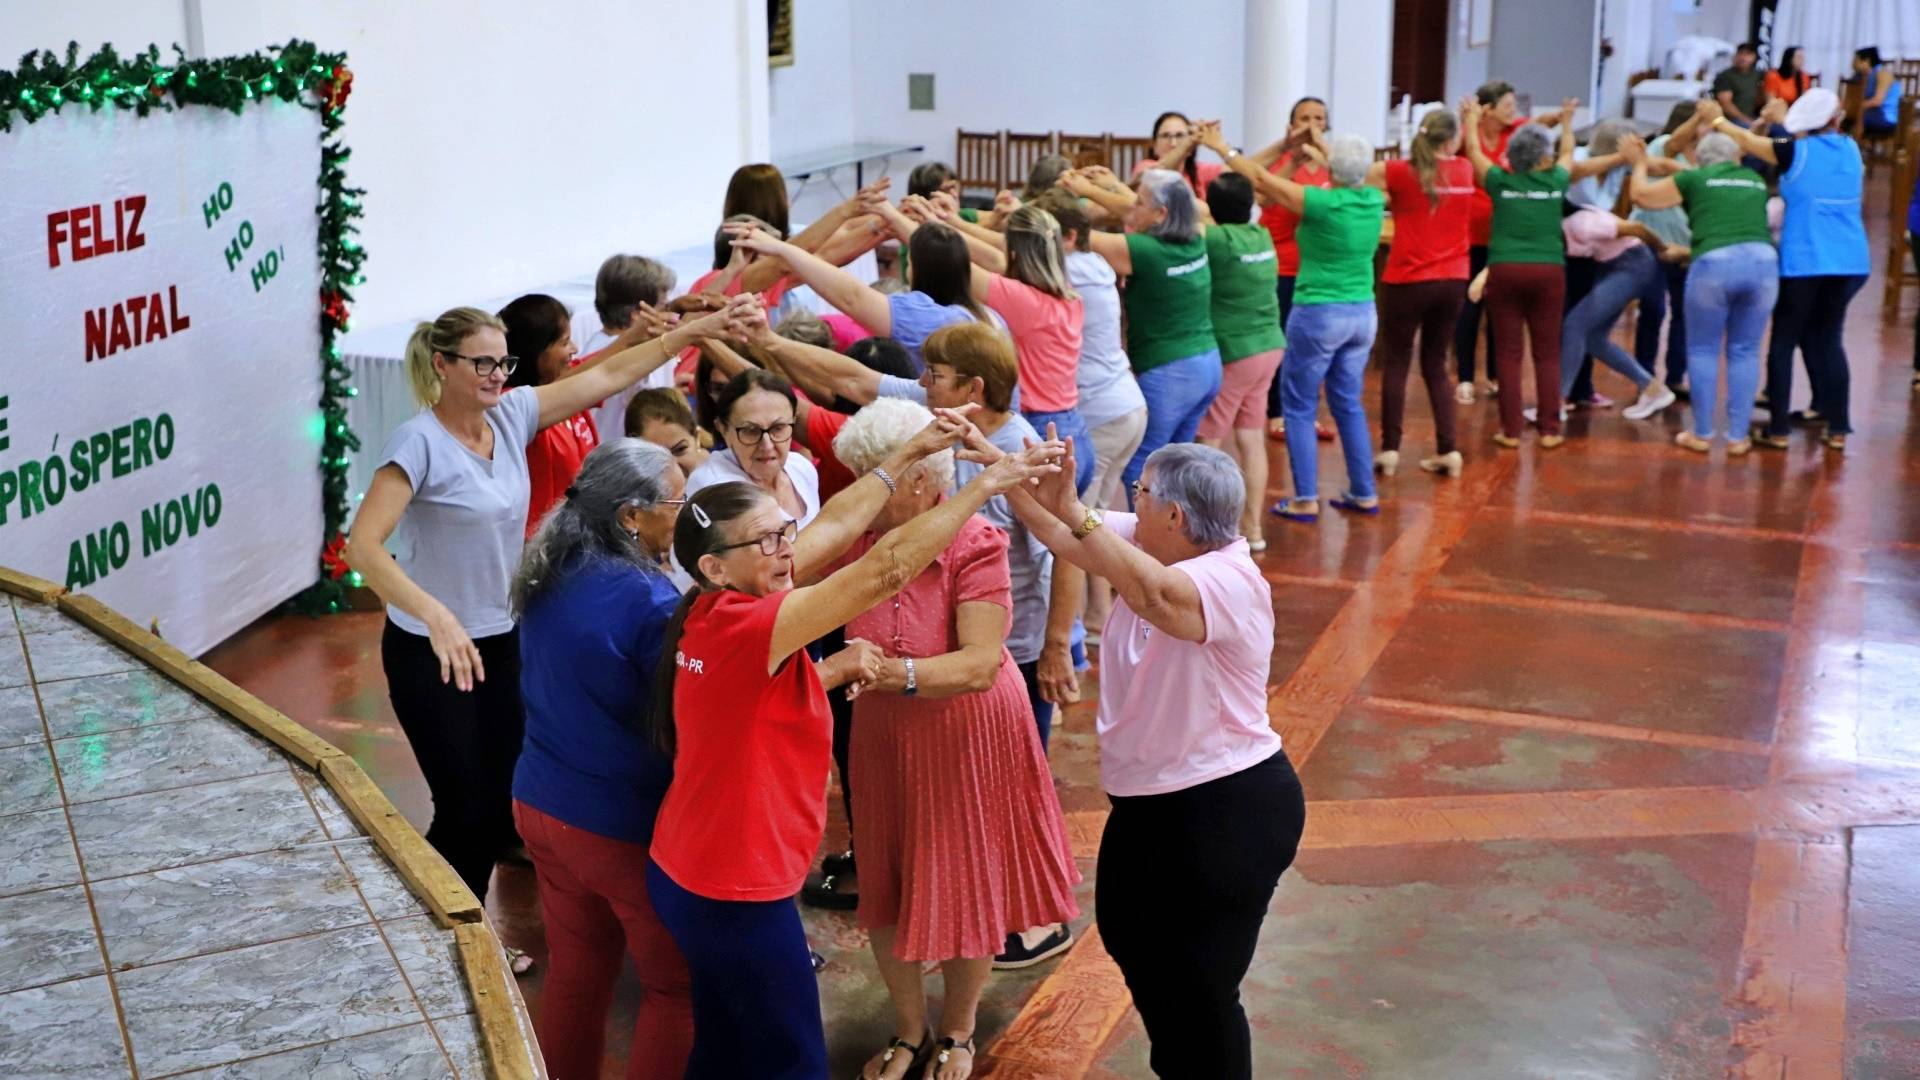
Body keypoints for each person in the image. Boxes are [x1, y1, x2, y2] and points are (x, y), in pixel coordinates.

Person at [643, 424, 1062, 1079]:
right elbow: (885, 568)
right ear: (714, 566)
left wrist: (905, 453)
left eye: (785, 532)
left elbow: (834, 525)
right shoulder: (756, 622)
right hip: (735, 891)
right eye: (768, 540)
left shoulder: (711, 608)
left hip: (688, 869)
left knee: (724, 1045)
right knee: (794, 1062)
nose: (787, 549)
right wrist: (985, 485)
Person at [343, 297, 757, 908]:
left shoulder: (511, 416)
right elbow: (364, 548)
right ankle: (445, 931)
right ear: (443, 364)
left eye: (503, 362)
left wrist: (688, 333)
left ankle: (463, 929)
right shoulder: (418, 443)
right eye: (481, 363)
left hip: (503, 638)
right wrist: (434, 614)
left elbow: (605, 376)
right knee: (465, 807)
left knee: (499, 796)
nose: (496, 375)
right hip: (431, 652)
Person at [960, 431, 1304, 1080]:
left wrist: (1072, 508)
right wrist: (1008, 471)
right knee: (1130, 934)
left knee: (1200, 991)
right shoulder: (1152, 538)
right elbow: (1067, 534)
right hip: (1154, 806)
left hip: (1228, 808)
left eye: (1140, 493)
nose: (1131, 500)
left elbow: (1151, 595)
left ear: (1174, 515)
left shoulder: (1228, 579)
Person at [829, 400, 1080, 1080]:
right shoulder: (857, 540)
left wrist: (887, 672)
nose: (863, 484)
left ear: (918, 480)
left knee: (967, 879)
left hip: (965, 733)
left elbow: (977, 664)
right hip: (883, 734)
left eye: (876, 470)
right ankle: (910, 1029)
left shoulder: (976, 542)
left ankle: (959, 1030)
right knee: (885, 878)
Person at [509, 439, 694, 1080]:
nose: (688, 512)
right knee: (676, 989)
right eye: (677, 501)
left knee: (577, 975)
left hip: (541, 804)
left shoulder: (550, 570)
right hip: (616, 826)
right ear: (631, 516)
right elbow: (689, 718)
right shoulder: (651, 603)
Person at [1212, 130, 1382, 520]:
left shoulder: (1319, 202)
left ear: (1331, 169)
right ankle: (1364, 492)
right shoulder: (1372, 198)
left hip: (1320, 311)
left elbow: (1258, 179)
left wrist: (1222, 148)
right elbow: (1346, 171)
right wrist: (1322, 149)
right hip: (1363, 313)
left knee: (1300, 406)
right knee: (1348, 403)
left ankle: (1305, 498)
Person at [875, 196, 1096, 494]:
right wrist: (944, 222)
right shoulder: (1071, 298)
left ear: (1014, 255)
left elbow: (948, 264)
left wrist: (894, 215)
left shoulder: (1023, 300)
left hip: (1042, 431)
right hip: (1075, 429)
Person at [1699, 89, 1869, 451]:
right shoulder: (1853, 150)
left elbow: (1747, 140)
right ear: (1837, 119)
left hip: (1805, 261)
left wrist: (1718, 119)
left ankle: (1777, 429)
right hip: (1849, 259)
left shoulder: (1795, 152)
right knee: (1829, 339)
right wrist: (1781, 120)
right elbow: (1778, 137)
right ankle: (1838, 426)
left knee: (1783, 341)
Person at [1061, 168, 1220, 501]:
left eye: (1139, 201)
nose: (1131, 206)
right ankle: (1174, 545)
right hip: (1206, 366)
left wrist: (1085, 189)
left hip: (1171, 374)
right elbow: (1137, 211)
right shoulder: (1196, 236)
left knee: (1143, 469)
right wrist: (1109, 187)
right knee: (1176, 468)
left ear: (1161, 214)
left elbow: (1073, 235)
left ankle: (1146, 547)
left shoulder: (1143, 252)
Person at [1627, 124, 1778, 453]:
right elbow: (1734, 228)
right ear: (1736, 156)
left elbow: (1641, 196)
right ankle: (1739, 437)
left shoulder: (1694, 178)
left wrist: (1639, 163)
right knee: (1745, 351)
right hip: (1764, 264)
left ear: (1699, 158)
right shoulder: (1753, 181)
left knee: (1704, 350)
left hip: (1714, 266)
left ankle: (1703, 433)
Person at [1461, 102, 1578, 449]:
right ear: (1544, 157)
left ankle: (1510, 430)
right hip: (1548, 271)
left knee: (1508, 353)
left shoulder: (1499, 181)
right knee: (1547, 352)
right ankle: (1549, 429)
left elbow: (1473, 152)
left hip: (1505, 270)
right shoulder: (1556, 180)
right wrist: (1568, 122)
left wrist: (1470, 121)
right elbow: (1569, 152)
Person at [1365, 107, 1473, 478]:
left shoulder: (1399, 172)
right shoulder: (1465, 170)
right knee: (1436, 365)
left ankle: (1391, 449)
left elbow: (1363, 176)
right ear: (1451, 138)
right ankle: (1449, 449)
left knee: (1396, 362)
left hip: (1407, 279)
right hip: (1453, 279)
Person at [731, 220, 992, 369]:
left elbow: (851, 297)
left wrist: (783, 250)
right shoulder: (986, 316)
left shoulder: (927, 318)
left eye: (909, 261)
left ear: (917, 268)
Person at [1190, 169, 1284, 546]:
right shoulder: (1261, 235)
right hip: (1270, 348)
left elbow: (1187, 220)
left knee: (1209, 442)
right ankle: (1253, 530)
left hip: (1236, 354)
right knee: (1250, 439)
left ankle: (1203, 531)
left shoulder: (1216, 240)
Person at [1557, 196, 1680, 424]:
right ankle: (1654, 389)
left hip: (1633, 265)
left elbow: (1637, 228)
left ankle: (1557, 403)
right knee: (1593, 338)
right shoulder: (1564, 225)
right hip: (1612, 267)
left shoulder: (1582, 222)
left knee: (1574, 326)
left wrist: (1662, 249)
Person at [1251, 97, 1332, 436]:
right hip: (1281, 263)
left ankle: (1306, 411)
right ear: (1291, 125)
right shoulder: (1284, 160)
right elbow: (1263, 198)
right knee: (1280, 340)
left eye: (1318, 118)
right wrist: (1293, 158)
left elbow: (1353, 190)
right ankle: (1276, 411)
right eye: (1304, 119)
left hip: (1318, 269)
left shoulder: (1333, 164)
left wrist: (1322, 152)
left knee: (1313, 344)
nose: (1312, 125)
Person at [1629, 103, 1710, 397]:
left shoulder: (1709, 156)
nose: (1706, 128)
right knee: (1652, 309)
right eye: (1701, 123)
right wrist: (1700, 114)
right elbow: (1675, 141)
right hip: (1651, 241)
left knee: (1684, 313)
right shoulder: (1665, 145)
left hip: (1686, 246)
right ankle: (1645, 377)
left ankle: (1676, 376)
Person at [499, 294, 596, 537]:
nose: (574, 349)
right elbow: (607, 372)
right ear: (535, 351)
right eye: (565, 342)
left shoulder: (567, 386)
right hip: (542, 552)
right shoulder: (512, 407)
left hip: (581, 539)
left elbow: (612, 367)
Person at [686, 369, 820, 527]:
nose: (767, 445)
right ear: (723, 429)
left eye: (778, 428)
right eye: (751, 431)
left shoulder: (801, 467)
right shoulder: (713, 486)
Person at [577, 255, 678, 440]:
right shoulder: (632, 357)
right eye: (663, 306)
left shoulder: (594, 347)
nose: (669, 314)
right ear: (639, 316)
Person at [1131, 110, 1224, 196]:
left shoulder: (1201, 170)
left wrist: (1219, 146)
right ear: (1154, 145)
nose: (1173, 143)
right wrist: (1189, 142)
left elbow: (1237, 174)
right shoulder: (1144, 167)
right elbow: (1155, 175)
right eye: (1165, 136)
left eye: (1179, 135)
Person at [625, 387, 710, 478]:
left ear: (697, 439)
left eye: (680, 450)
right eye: (656, 458)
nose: (673, 469)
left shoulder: (720, 479)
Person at [1852, 47, 1902, 136]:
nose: (1853, 64)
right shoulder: (1861, 76)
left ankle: (1854, 146)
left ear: (1866, 61)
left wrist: (1856, 108)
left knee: (1853, 118)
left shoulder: (1883, 74)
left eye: (1856, 60)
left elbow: (1877, 101)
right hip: (1869, 113)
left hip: (1884, 116)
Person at [1713, 43, 1765, 125]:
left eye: (1748, 54)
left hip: (1753, 116)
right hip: (1729, 119)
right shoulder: (1725, 76)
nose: (1743, 57)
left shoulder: (1758, 75)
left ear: (1755, 57)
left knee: (1780, 129)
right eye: (1740, 53)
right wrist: (1745, 119)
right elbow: (1725, 104)